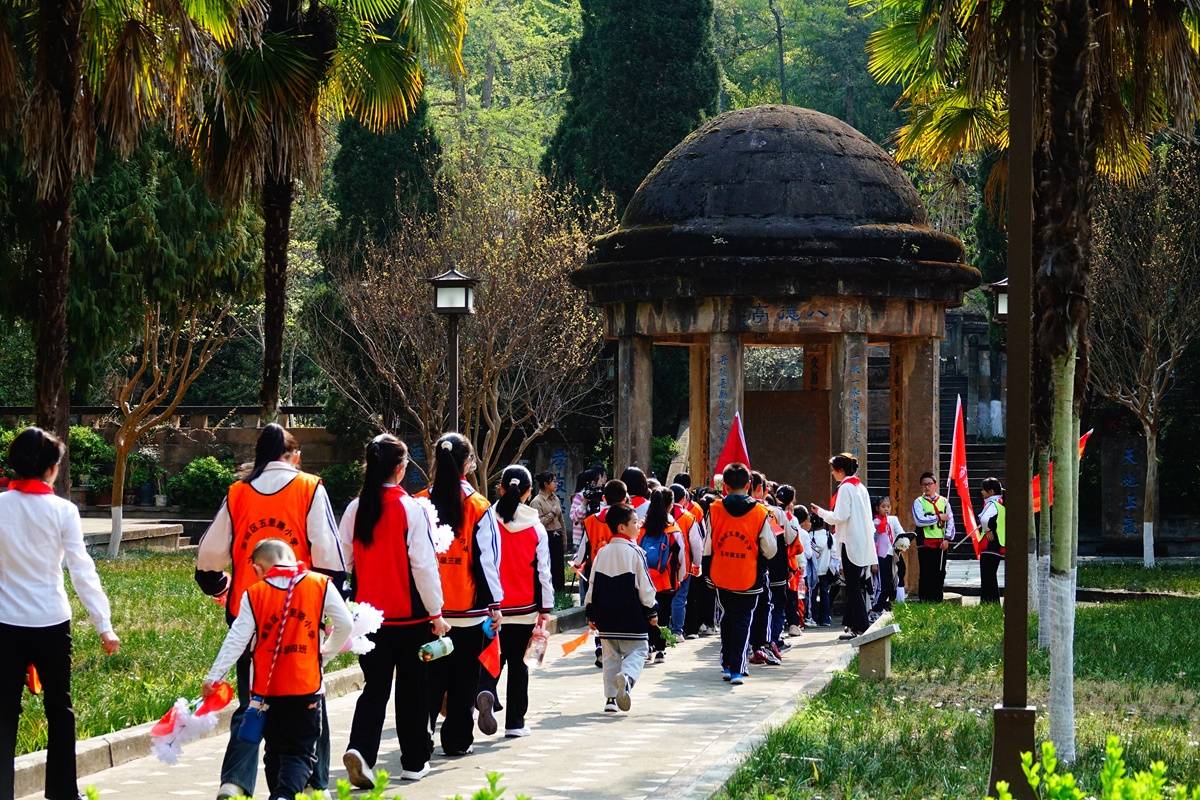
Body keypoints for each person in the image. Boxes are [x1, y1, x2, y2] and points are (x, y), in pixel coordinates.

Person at [195, 423, 346, 800]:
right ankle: (314, 782)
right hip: (302, 612)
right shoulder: (310, 487)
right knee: (311, 699)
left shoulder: (238, 492)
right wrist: (328, 604)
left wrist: (221, 587)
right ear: (292, 455)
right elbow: (328, 553)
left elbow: (209, 557)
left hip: (251, 609)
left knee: (252, 703)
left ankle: (234, 781)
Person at [1, 428, 120, 800]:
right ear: (52, 469)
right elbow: (82, 570)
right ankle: (63, 792)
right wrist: (104, 625)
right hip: (51, 622)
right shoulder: (64, 511)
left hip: (5, 624)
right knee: (59, 707)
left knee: (3, 712)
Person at [203, 539, 352, 800]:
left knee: (274, 751)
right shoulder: (320, 584)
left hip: (266, 692)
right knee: (300, 753)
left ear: (258, 567)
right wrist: (324, 654)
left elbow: (237, 639)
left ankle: (280, 794)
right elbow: (346, 625)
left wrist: (215, 677)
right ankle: (284, 796)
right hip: (306, 688)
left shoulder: (254, 593)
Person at [339, 435, 448, 786]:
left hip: (368, 617)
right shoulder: (410, 508)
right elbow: (423, 566)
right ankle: (414, 762)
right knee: (413, 690)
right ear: (400, 468)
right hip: (410, 617)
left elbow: (342, 560)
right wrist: (436, 612)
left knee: (375, 687)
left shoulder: (356, 508)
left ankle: (360, 750)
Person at [426, 432, 503, 757]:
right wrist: (495, 604)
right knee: (463, 680)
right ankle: (457, 741)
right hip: (468, 612)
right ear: (468, 463)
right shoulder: (478, 506)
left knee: (429, 679)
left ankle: (420, 740)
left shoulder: (419, 502)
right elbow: (488, 561)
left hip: (430, 611)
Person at [477, 465, 554, 738]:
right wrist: (545, 608)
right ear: (529, 492)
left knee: (492, 659)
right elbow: (543, 572)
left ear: (500, 488)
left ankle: (485, 690)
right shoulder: (536, 528)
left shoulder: (487, 522)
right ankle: (515, 723)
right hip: (525, 608)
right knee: (519, 667)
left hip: (492, 609)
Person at [703, 463, 777, 685]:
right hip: (749, 575)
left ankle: (727, 664)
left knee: (727, 617)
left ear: (724, 486)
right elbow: (770, 549)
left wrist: (707, 572)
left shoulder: (714, 509)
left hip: (721, 574)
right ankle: (737, 668)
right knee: (743, 620)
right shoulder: (761, 512)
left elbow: (707, 545)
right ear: (749, 484)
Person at [584, 503, 658, 713]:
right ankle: (627, 678)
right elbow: (645, 586)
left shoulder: (602, 552)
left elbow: (592, 584)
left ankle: (610, 700)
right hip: (631, 615)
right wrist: (652, 610)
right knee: (639, 649)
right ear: (621, 527)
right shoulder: (636, 552)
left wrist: (590, 611)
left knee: (610, 657)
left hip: (606, 617)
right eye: (634, 522)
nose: (638, 525)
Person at [810, 453, 878, 639]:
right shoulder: (860, 487)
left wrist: (821, 512)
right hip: (861, 541)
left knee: (853, 586)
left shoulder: (846, 488)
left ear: (840, 470)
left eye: (833, 470)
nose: (832, 473)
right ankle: (852, 624)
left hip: (850, 542)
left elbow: (839, 516)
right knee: (855, 585)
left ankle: (860, 627)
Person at [639, 488, 684, 662]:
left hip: (645, 580)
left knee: (647, 612)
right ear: (670, 505)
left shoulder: (641, 528)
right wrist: (680, 577)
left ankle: (648, 647)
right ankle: (660, 649)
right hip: (666, 580)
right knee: (664, 613)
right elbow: (681, 556)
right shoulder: (672, 529)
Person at [912, 471, 956, 602]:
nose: (927, 487)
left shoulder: (944, 501)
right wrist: (938, 517)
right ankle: (925, 600)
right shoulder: (918, 502)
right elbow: (919, 520)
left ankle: (937, 600)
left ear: (935, 485)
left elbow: (951, 522)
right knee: (926, 572)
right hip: (925, 542)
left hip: (941, 543)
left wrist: (947, 539)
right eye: (924, 484)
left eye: (929, 484)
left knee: (940, 572)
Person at [668, 484, 702, 639]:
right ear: (683, 499)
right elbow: (696, 544)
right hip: (683, 564)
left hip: (661, 565)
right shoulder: (688, 517)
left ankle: (662, 630)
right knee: (680, 598)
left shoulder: (656, 515)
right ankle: (677, 631)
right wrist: (697, 564)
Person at [530, 472, 566, 594]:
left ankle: (560, 594)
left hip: (557, 534)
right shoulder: (536, 501)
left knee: (558, 567)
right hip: (546, 536)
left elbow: (561, 520)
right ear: (546, 484)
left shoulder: (555, 498)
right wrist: (552, 514)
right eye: (553, 481)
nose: (556, 483)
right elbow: (538, 523)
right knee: (547, 566)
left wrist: (564, 538)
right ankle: (548, 593)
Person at [870, 496, 901, 614]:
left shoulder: (893, 520)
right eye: (883, 507)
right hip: (879, 556)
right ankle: (876, 608)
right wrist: (873, 561)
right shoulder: (874, 522)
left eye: (888, 506)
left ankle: (890, 605)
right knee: (882, 584)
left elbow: (900, 532)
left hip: (892, 555)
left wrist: (903, 542)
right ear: (877, 508)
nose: (886, 509)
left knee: (893, 581)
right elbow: (872, 542)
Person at [977, 477, 1006, 604]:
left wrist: (987, 530)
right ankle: (993, 604)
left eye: (984, 490)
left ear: (991, 492)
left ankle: (987, 603)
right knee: (991, 576)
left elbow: (984, 518)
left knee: (987, 576)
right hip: (999, 544)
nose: (982, 492)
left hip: (989, 544)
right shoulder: (1001, 502)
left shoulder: (992, 503)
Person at [569, 466, 605, 550]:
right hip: (582, 537)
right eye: (600, 479)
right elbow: (574, 517)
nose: (601, 482)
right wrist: (584, 502)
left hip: (598, 535)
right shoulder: (579, 496)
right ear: (592, 482)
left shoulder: (600, 495)